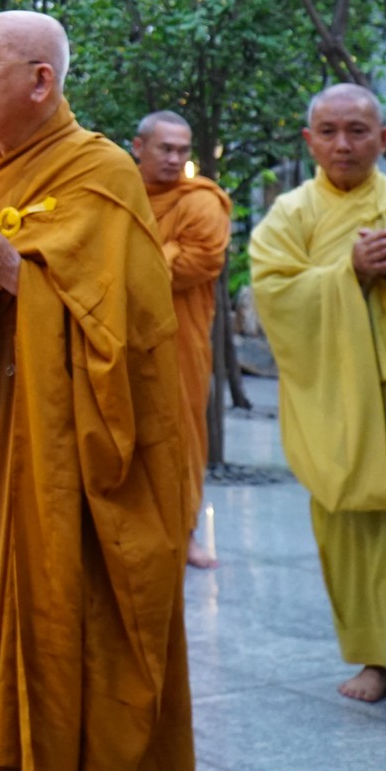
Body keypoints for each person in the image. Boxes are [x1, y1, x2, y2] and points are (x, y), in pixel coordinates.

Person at [0, 10, 192, 771]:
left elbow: (128, 330)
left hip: (57, 449)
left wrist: (18, 275)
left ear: (40, 81)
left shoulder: (101, 172)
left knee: (58, 608)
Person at [250, 83, 386, 709]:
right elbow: (275, 294)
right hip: (345, 406)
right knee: (357, 534)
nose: (343, 144)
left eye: (358, 131)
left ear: (384, 139)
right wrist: (346, 274)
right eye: (328, 132)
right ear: (309, 141)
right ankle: (378, 659)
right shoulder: (290, 217)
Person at [131, 109, 232, 569]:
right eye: (165, 149)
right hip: (122, 333)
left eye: (183, 150)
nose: (175, 159)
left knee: (181, 435)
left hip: (179, 339)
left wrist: (144, 258)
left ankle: (184, 532)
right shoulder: (119, 193)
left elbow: (201, 261)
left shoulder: (201, 201)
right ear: (139, 147)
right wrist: (163, 252)